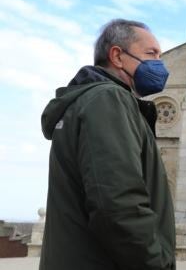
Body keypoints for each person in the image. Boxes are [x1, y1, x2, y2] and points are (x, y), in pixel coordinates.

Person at [39, 19, 176, 270]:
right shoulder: (108, 99)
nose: (160, 63)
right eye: (151, 54)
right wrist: (157, 263)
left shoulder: (86, 102)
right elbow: (117, 204)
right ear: (117, 56)